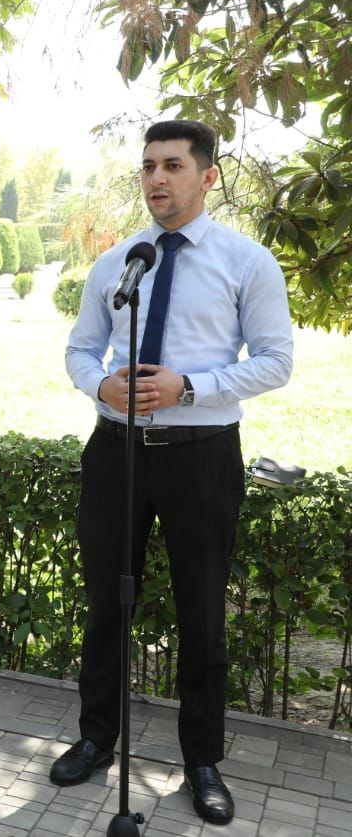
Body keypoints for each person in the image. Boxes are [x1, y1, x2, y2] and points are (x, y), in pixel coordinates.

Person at [57, 119, 293, 825]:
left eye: (173, 166)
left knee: (202, 612)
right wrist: (102, 385)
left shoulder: (246, 261)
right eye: (148, 166)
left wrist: (187, 388)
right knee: (106, 604)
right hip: (115, 451)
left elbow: (276, 361)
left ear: (207, 176)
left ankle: (202, 762)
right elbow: (79, 350)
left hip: (202, 456)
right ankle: (96, 738)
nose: (157, 179)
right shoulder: (118, 261)